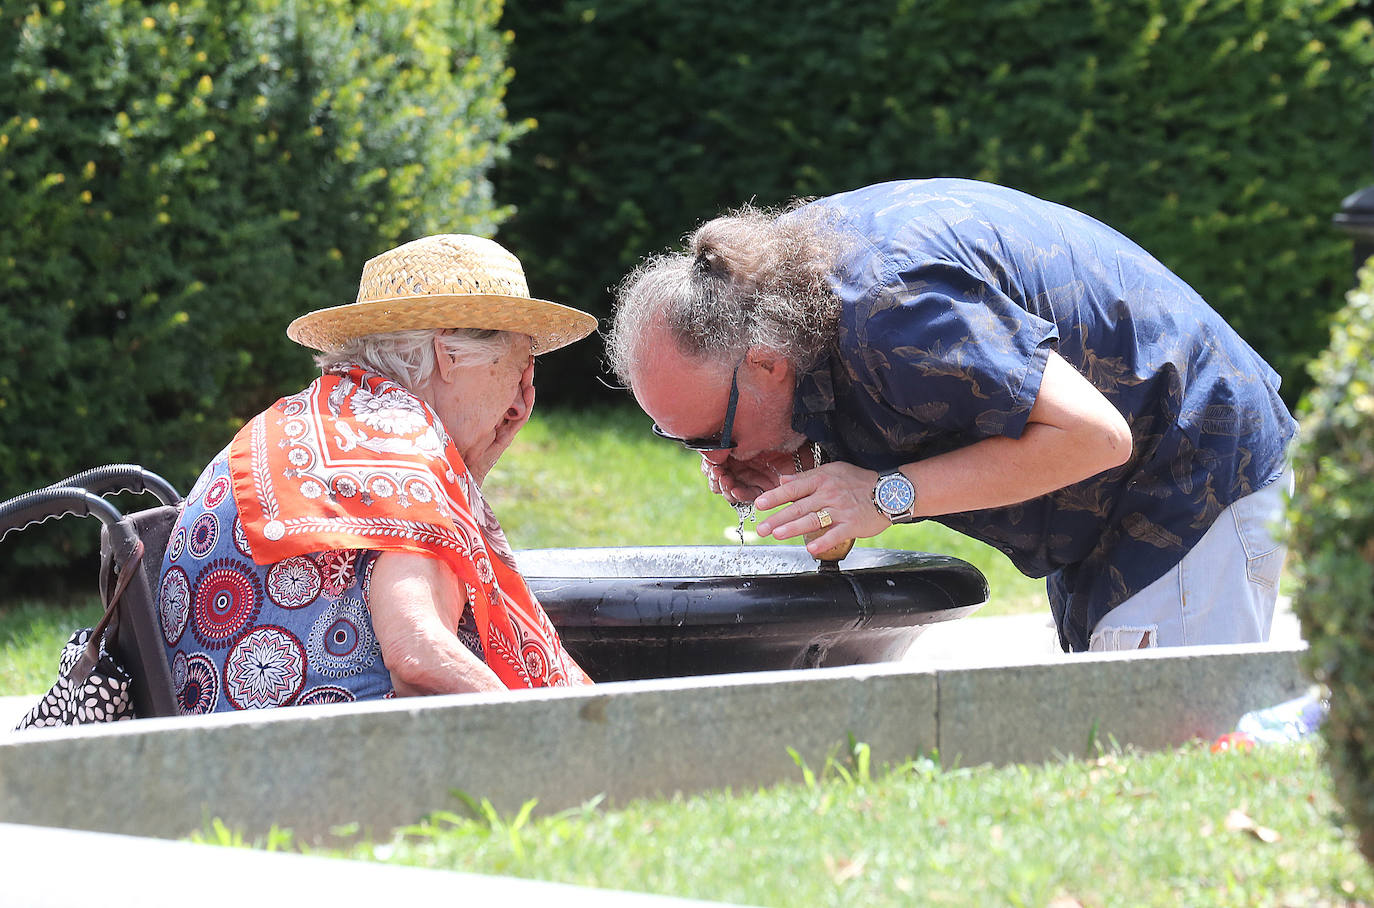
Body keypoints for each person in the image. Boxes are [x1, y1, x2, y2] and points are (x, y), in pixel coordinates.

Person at [607, 178, 1297, 653]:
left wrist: (883, 495)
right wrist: (813, 470)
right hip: (1110, 501)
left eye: (715, 437)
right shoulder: (766, 291)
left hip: (1190, 463)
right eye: (685, 445)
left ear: (764, 365)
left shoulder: (894, 306)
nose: (717, 464)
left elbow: (1095, 436)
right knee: (1121, 742)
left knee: (1177, 750)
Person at [156, 234, 597, 713]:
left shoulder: (327, 421)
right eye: (520, 367)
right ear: (450, 355)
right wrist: (553, 736)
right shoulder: (400, 442)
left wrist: (467, 471)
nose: (522, 400)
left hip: (228, 753)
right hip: (331, 759)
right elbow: (418, 657)